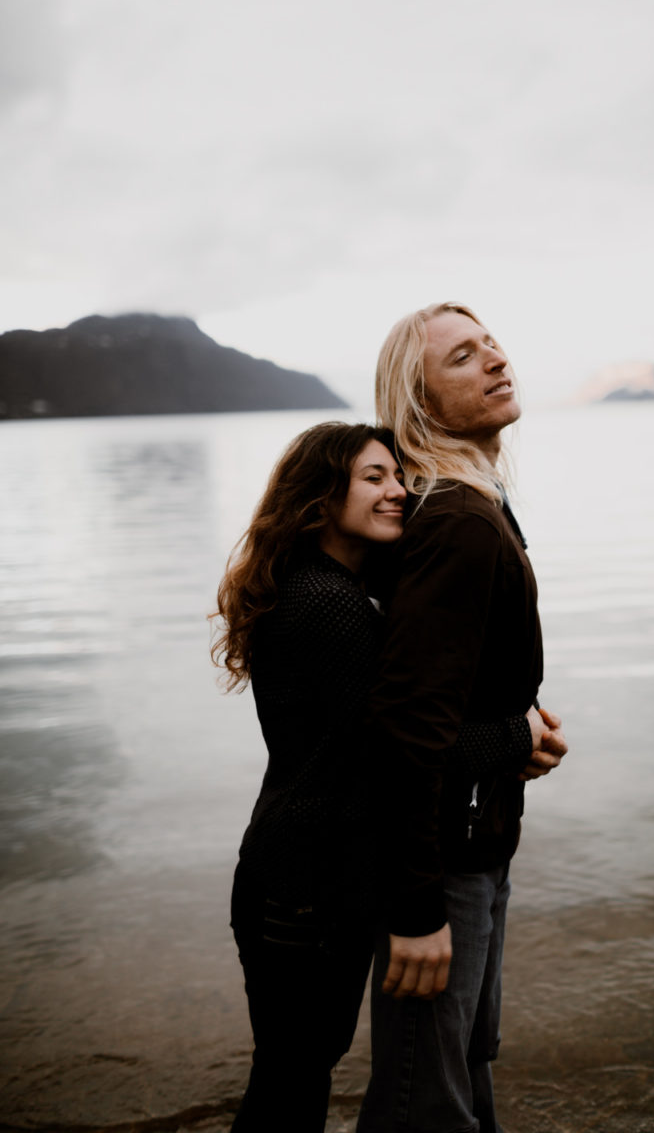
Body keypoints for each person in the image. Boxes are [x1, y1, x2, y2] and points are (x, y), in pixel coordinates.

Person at [211, 420, 548, 1133]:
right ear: (320, 494)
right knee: (292, 1077)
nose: (399, 491)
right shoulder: (328, 605)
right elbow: (400, 747)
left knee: (296, 1068)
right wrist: (519, 734)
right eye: (375, 478)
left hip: (299, 875)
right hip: (301, 893)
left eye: (398, 476)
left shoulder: (333, 587)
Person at [357, 303, 568, 1133]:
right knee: (425, 1100)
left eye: (492, 346)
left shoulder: (476, 503)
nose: (494, 361)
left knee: (465, 1068)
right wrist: (417, 912)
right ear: (419, 405)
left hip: (478, 839)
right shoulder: (455, 521)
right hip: (442, 862)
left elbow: (451, 700)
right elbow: (406, 733)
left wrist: (515, 734)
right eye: (461, 359)